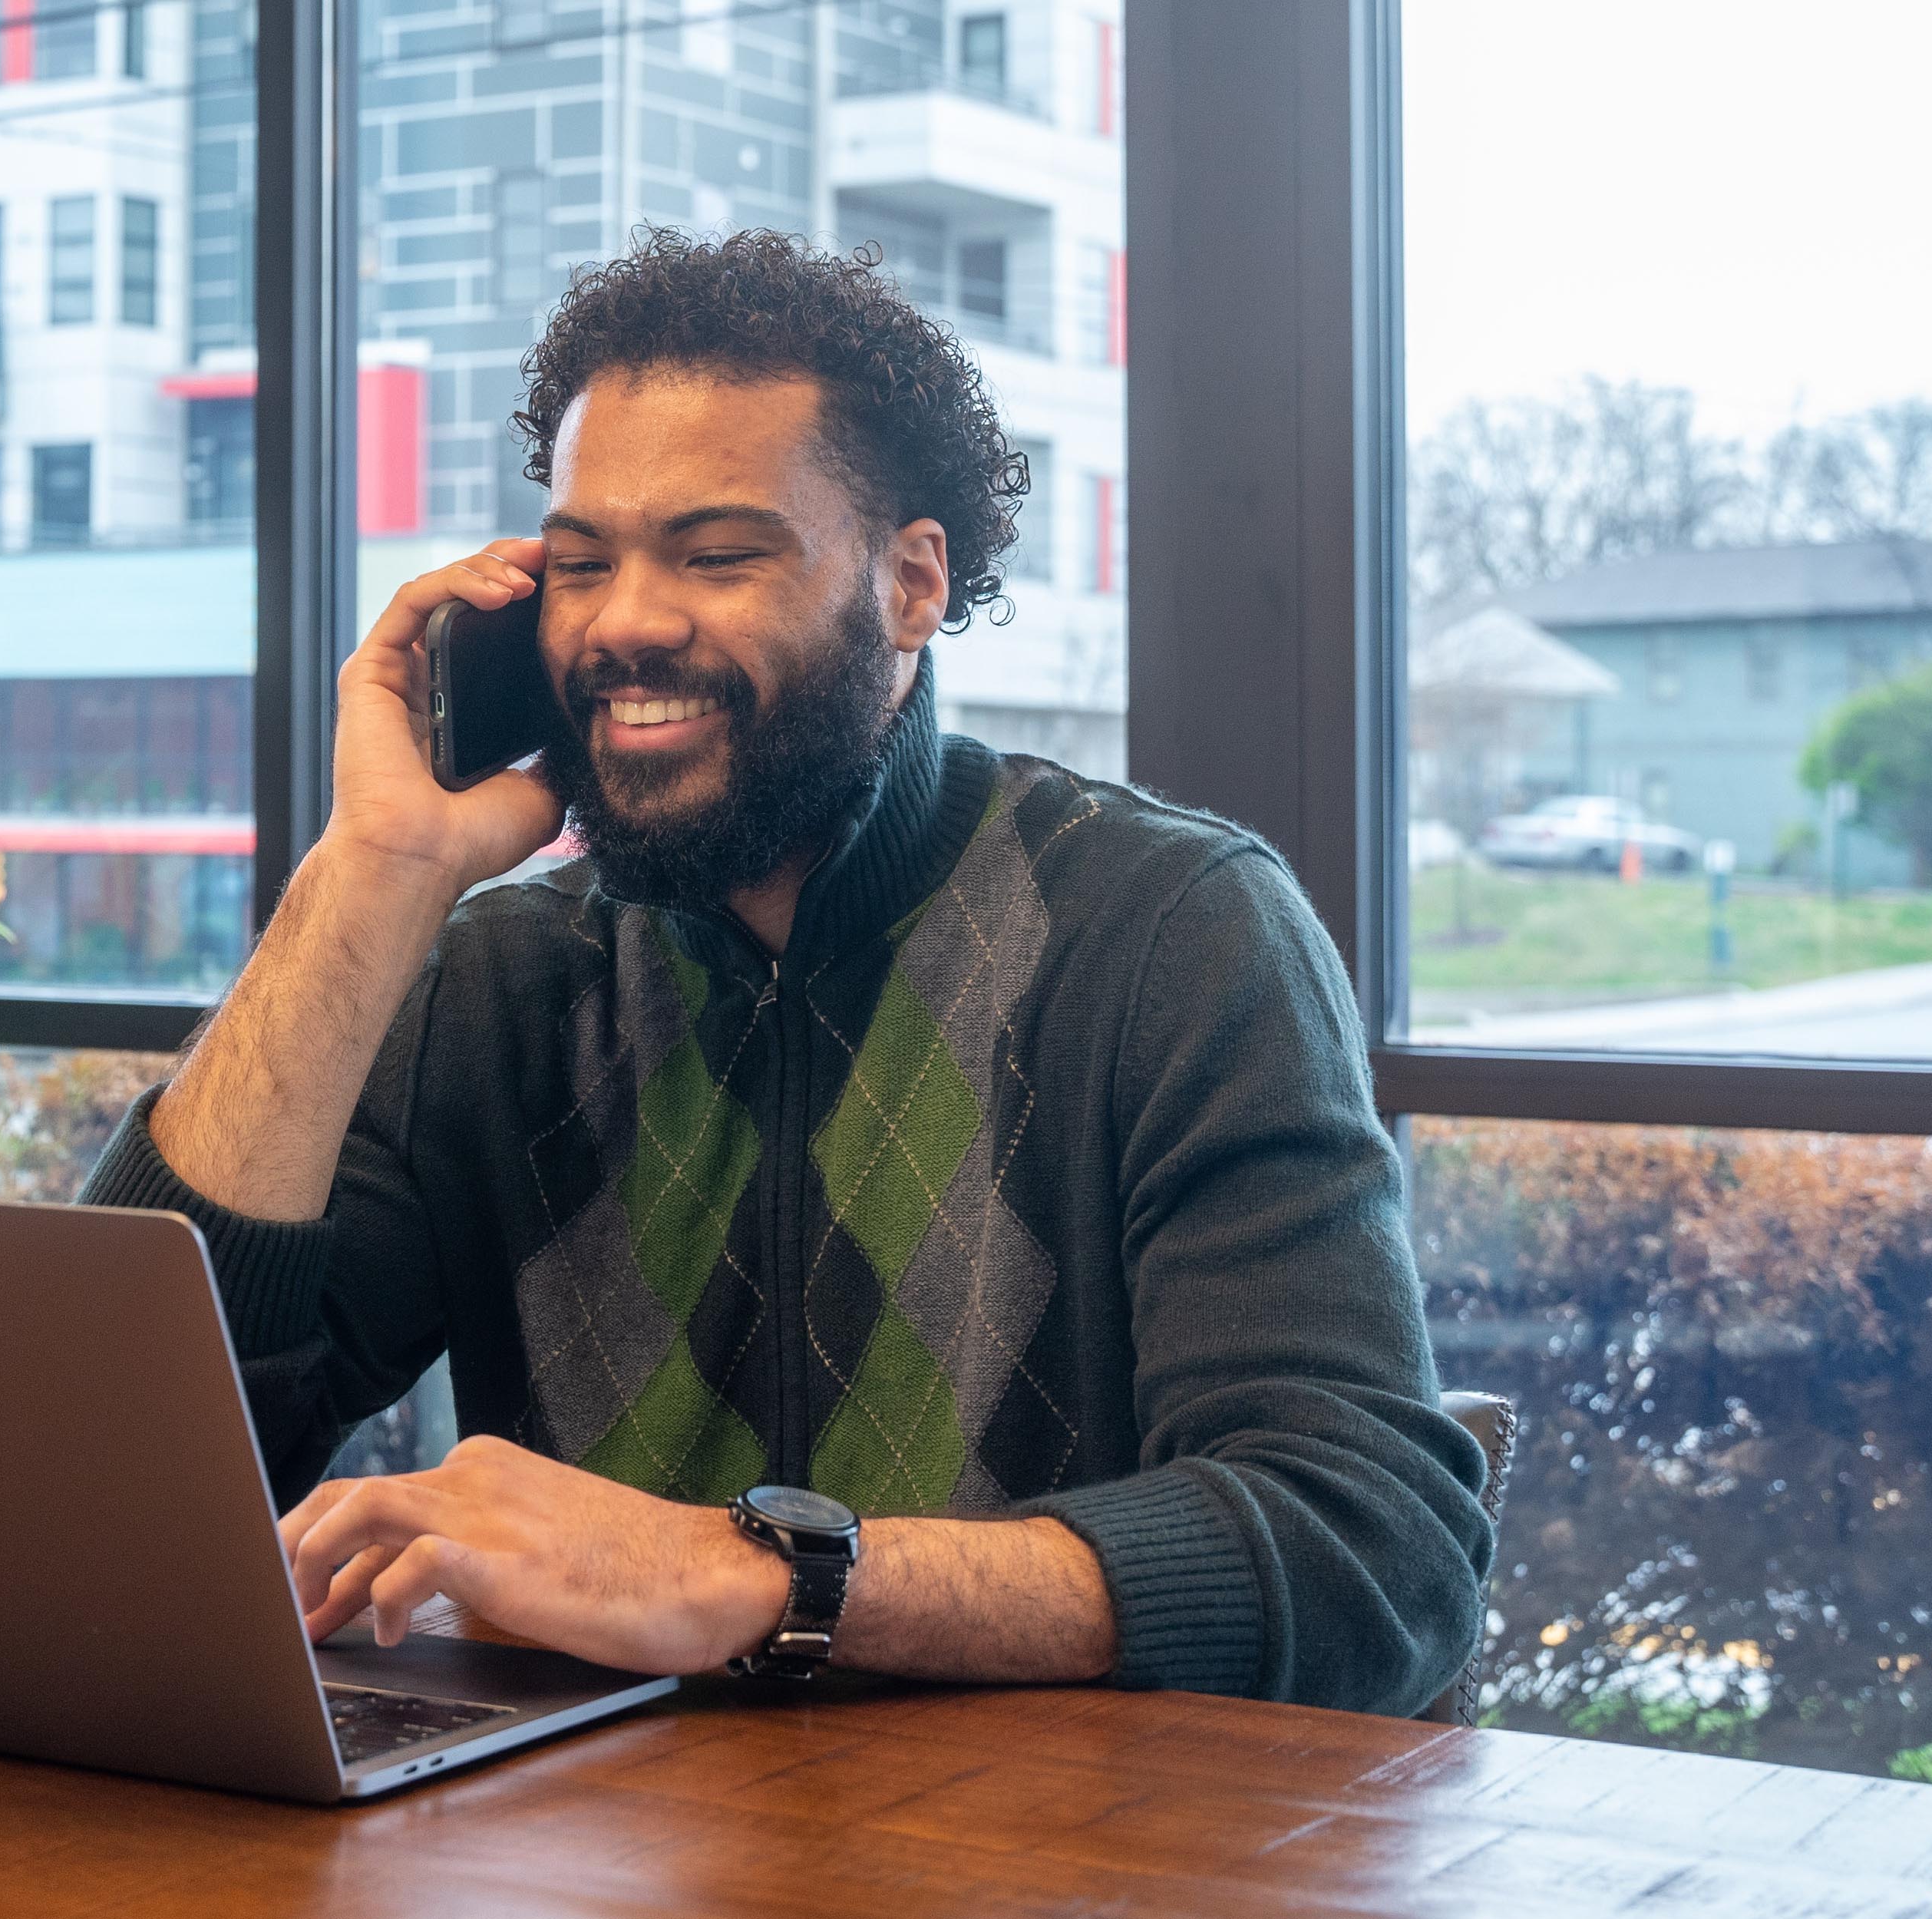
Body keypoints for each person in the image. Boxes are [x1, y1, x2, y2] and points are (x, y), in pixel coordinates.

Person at [78, 229, 1488, 1709]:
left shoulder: (1169, 933)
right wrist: (372, 874)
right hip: (581, 1861)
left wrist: (764, 1573)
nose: (624, 621)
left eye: (719, 553)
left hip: (1045, 1855)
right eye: (579, 562)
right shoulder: (500, 981)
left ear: (910, 586)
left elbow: (1371, 1552)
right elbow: (110, 1475)